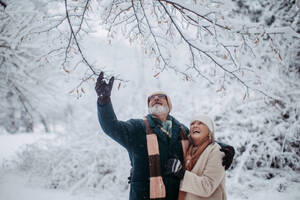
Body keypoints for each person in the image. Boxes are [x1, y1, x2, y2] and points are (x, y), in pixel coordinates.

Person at [95, 72, 234, 200]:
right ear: (149, 106)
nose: (156, 98)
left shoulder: (181, 131)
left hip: (175, 196)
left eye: (161, 97)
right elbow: (111, 126)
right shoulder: (137, 128)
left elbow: (201, 140)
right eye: (151, 98)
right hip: (144, 195)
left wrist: (224, 148)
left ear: (169, 105)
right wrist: (104, 101)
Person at [165, 115, 227, 200]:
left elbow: (207, 186)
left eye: (201, 123)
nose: (195, 125)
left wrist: (182, 174)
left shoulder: (216, 151)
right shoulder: (188, 149)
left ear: (209, 131)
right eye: (192, 123)